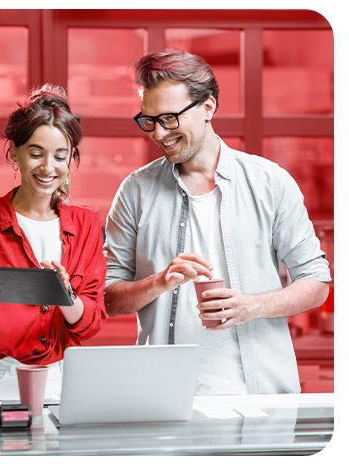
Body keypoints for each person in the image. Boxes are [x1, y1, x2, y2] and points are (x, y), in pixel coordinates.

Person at [103, 49, 331, 395]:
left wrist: (252, 306)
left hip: (261, 398)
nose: (159, 133)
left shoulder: (270, 182)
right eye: (148, 120)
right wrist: (158, 282)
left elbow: (316, 282)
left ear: (208, 107)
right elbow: (107, 297)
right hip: (163, 396)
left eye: (169, 118)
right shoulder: (136, 190)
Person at [0, 84, 107, 403]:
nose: (48, 168)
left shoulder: (86, 224)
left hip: (62, 380)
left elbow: (89, 324)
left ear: (71, 159)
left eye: (60, 156)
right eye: (36, 153)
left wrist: (66, 295)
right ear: (14, 153)